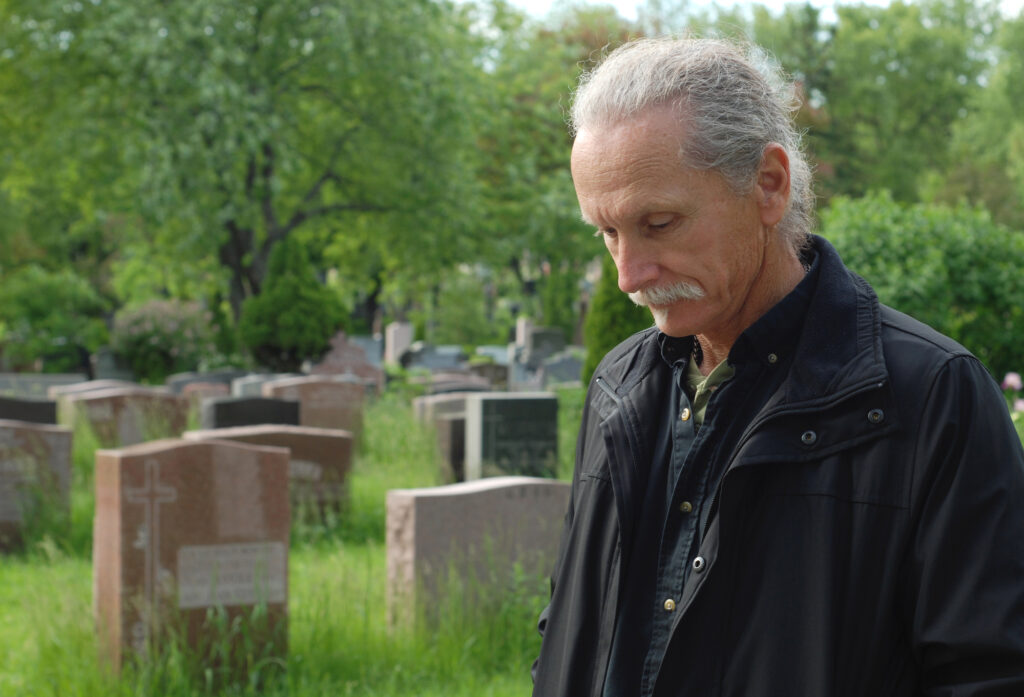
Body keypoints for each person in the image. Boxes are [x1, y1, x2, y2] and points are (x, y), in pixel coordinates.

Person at [531, 37, 1024, 697]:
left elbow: (990, 674)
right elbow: (570, 629)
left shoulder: (933, 397)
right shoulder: (619, 386)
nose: (627, 275)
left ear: (769, 184)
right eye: (608, 231)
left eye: (660, 223)